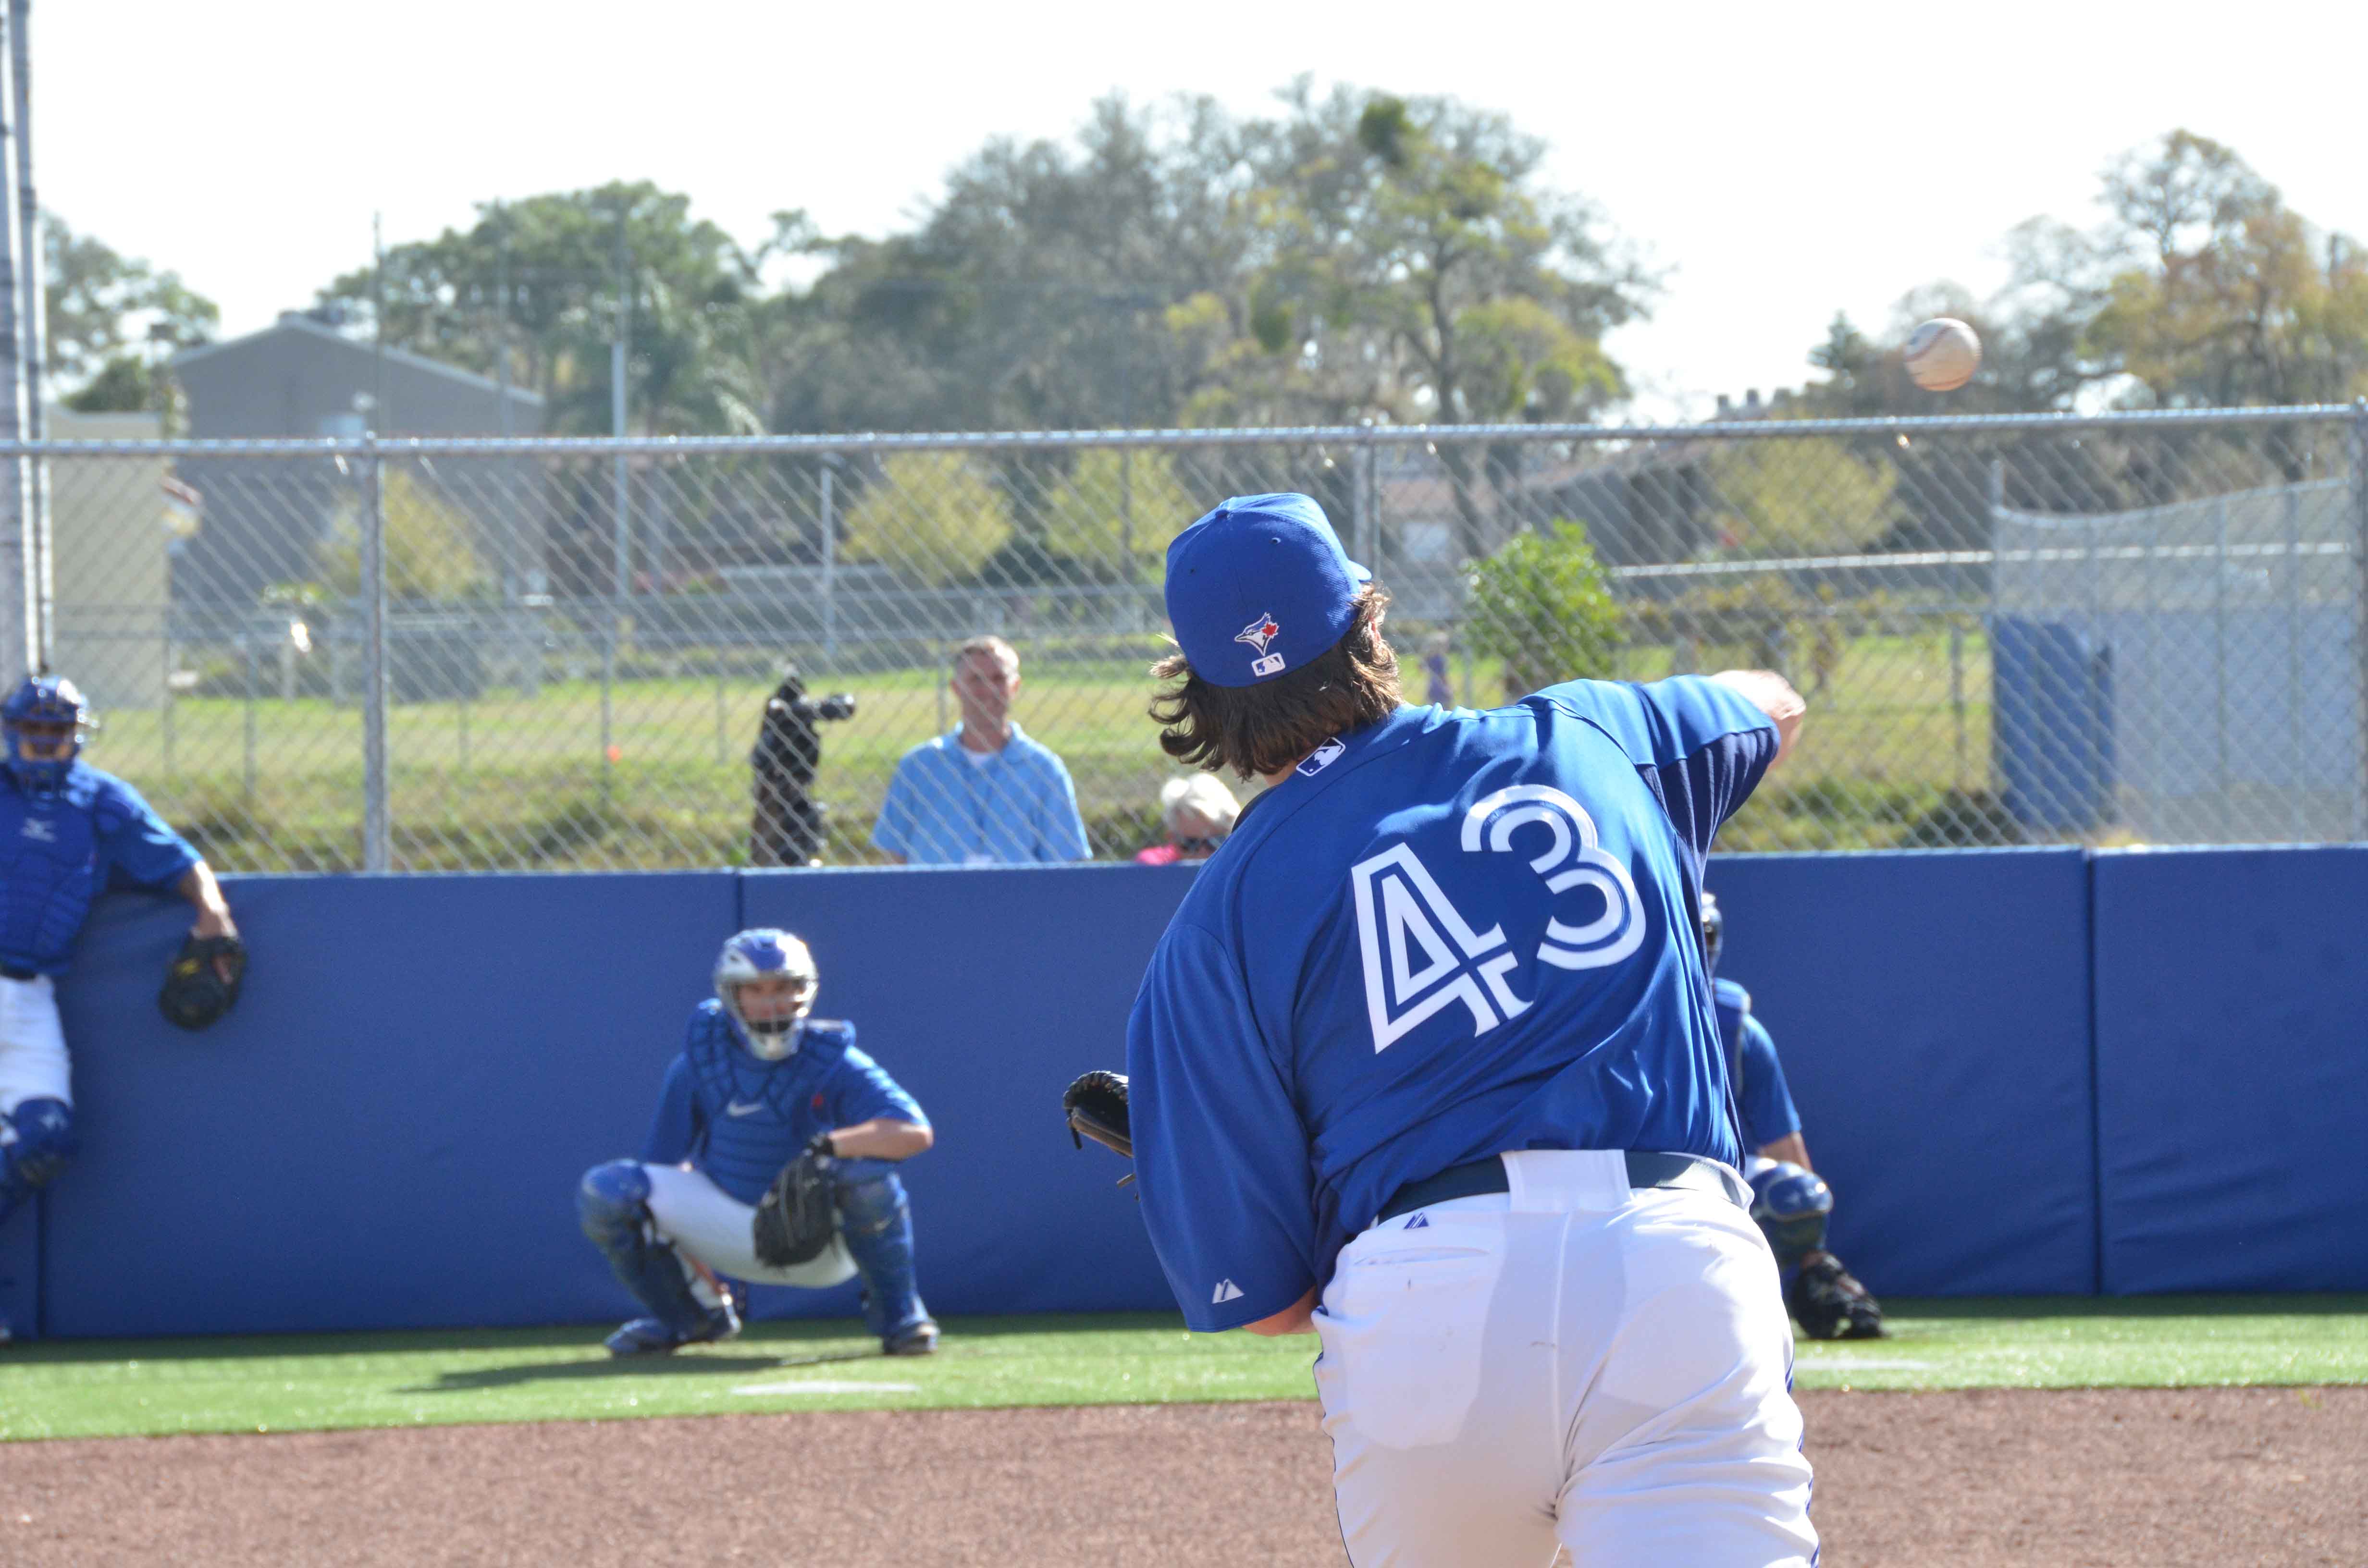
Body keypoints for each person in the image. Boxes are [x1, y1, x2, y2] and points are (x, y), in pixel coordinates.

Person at [1125, 492, 1816, 1565]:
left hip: (1423, 1298)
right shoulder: (1591, 731)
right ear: (1370, 622)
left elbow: (1271, 1308)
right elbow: (1772, 707)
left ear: (1196, 694)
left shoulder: (1211, 926)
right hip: (1675, 1259)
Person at [0, 675, 240, 1347]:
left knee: (46, 1141)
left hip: (32, 994)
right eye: (34, 730)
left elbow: (179, 860)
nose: (45, 743)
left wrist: (212, 911)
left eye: (58, 731)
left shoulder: (100, 801)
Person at [576, 927, 938, 1358]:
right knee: (611, 1191)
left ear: (805, 991)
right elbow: (662, 1173)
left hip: (819, 1241)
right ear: (732, 995)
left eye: (784, 988)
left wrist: (828, 1148)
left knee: (868, 1176)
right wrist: (698, 1267)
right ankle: (688, 1316)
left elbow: (914, 1133)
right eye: (755, 990)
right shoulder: (699, 1062)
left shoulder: (835, 1059)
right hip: (730, 1228)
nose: (771, 1002)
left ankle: (900, 1317)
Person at [1702, 890, 1885, 1340]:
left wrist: (1811, 1252)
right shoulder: (1615, 1011)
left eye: (1703, 933)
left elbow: (1787, 1149)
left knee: (1798, 1193)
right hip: (1626, 1177)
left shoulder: (1735, 1025)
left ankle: (1772, 1289)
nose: (1696, 944)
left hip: (1713, 1175)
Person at [871, 637, 1089, 866]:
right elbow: (894, 858)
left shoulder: (1044, 770)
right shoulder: (918, 768)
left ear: (1015, 687)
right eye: (976, 679)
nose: (988, 690)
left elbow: (1065, 864)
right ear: (956, 688)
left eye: (999, 678)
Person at [1133, 773, 1240, 865]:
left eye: (1216, 842)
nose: (1202, 856)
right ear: (1172, 838)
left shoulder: (1242, 863)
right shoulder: (1155, 866)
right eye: (1190, 844)